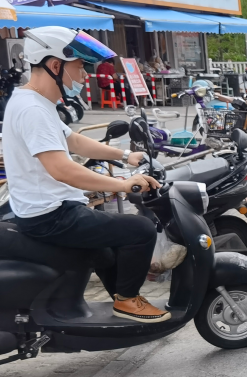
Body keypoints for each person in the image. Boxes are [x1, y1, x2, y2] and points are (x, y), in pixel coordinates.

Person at [2, 26, 165, 323]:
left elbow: (73, 140)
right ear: (55, 66)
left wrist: (124, 155)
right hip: (51, 215)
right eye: (79, 66)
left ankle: (122, 300)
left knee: (106, 247)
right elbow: (62, 170)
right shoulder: (32, 110)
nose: (84, 75)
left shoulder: (34, 102)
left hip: (48, 209)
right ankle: (128, 301)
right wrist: (122, 184)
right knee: (140, 230)